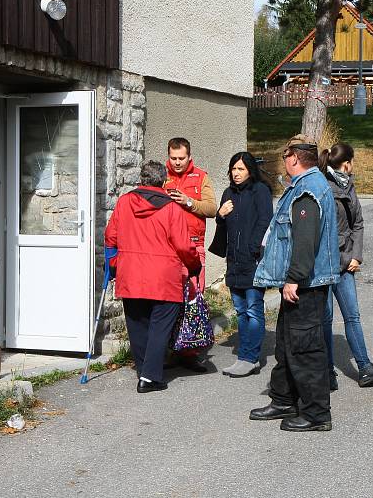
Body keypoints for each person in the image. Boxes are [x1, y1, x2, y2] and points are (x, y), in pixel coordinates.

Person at [249, 135, 339, 432]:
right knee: (287, 343)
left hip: (306, 285)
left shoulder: (309, 190)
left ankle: (316, 414)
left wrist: (294, 278)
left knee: (305, 348)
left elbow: (305, 240)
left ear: (294, 158)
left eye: (285, 153)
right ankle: (284, 399)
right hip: (300, 282)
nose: (283, 159)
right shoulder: (302, 187)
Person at [105, 161, 202, 393]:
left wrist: (114, 264)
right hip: (163, 277)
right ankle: (149, 377)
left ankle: (144, 370)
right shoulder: (171, 208)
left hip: (131, 274)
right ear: (164, 181)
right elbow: (183, 245)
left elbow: (111, 236)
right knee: (160, 326)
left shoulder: (125, 202)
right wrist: (194, 266)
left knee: (138, 324)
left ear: (142, 178)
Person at [319, 143, 373, 390]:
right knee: (326, 319)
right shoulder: (323, 187)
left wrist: (356, 256)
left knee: (353, 316)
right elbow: (322, 232)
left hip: (345, 262)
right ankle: (326, 372)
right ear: (347, 162)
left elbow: (358, 223)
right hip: (324, 265)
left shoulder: (347, 184)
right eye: (353, 162)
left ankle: (365, 368)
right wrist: (343, 258)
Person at [214, 152, 273, 378]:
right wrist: (221, 214)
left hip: (253, 260)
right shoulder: (228, 193)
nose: (236, 173)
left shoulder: (260, 191)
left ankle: (250, 357)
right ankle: (245, 356)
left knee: (253, 309)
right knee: (240, 311)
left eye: (240, 169)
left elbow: (266, 219)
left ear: (250, 170)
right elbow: (222, 224)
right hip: (234, 260)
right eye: (233, 169)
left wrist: (253, 247)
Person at [163, 137, 217, 372]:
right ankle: (170, 349)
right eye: (173, 158)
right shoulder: (162, 178)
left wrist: (188, 201)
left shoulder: (201, 176)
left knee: (194, 299)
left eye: (181, 158)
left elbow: (211, 208)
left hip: (194, 246)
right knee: (170, 299)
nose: (177, 163)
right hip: (168, 247)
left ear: (189, 156)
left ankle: (190, 352)